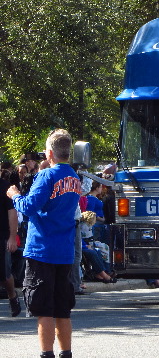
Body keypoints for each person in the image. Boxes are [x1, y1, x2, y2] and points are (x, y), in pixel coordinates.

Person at [7, 129, 81, 358]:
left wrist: (14, 195)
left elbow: (29, 207)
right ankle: (66, 353)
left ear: (50, 152)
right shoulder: (74, 177)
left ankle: (47, 353)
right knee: (63, 308)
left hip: (42, 250)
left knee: (43, 309)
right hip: (65, 251)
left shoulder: (47, 176)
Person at [0, 170, 20, 316]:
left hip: (2, 236)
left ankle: (12, 295)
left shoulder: (5, 187)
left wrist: (12, 237)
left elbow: (12, 212)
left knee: (4, 274)